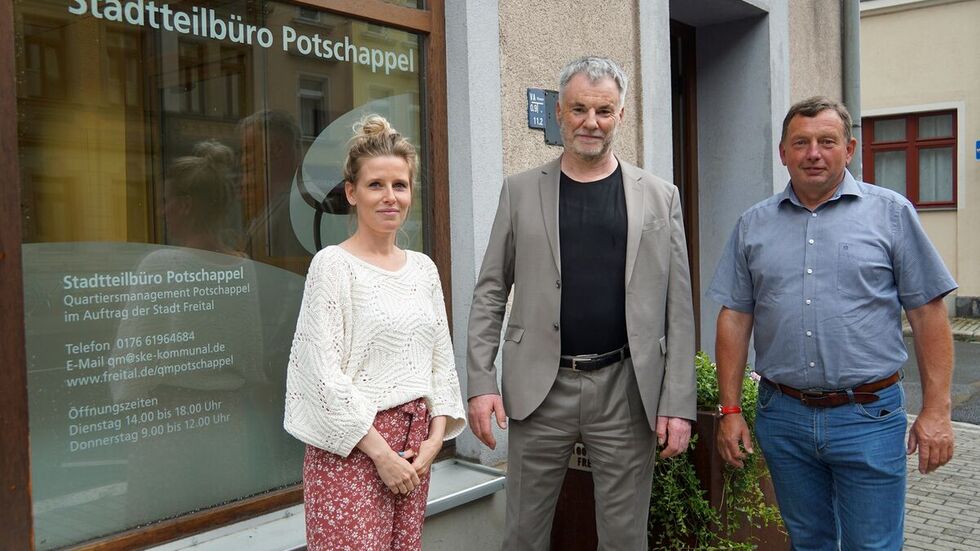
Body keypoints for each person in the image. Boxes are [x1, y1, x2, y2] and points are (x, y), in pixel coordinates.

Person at [466, 56, 696, 550]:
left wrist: (678, 404)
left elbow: (678, 307)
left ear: (620, 115)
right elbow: (490, 290)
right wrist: (481, 382)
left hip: (626, 389)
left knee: (624, 538)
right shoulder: (520, 191)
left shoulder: (661, 197)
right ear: (559, 113)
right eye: (579, 109)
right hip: (540, 387)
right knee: (523, 535)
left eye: (604, 111)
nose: (591, 122)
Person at [709, 96, 957, 551]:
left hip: (868, 416)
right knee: (808, 542)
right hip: (783, 417)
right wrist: (730, 411)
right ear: (783, 153)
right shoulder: (753, 225)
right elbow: (735, 317)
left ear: (850, 149)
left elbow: (928, 314)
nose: (814, 153)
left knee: (873, 545)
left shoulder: (891, 214)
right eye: (800, 143)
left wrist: (937, 412)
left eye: (827, 141)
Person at [283, 115, 466, 551]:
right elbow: (319, 373)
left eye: (399, 185)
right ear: (352, 192)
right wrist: (381, 453)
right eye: (375, 185)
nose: (390, 197)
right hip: (352, 448)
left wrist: (434, 442)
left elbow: (441, 364)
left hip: (414, 450)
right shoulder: (333, 266)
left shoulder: (423, 270)